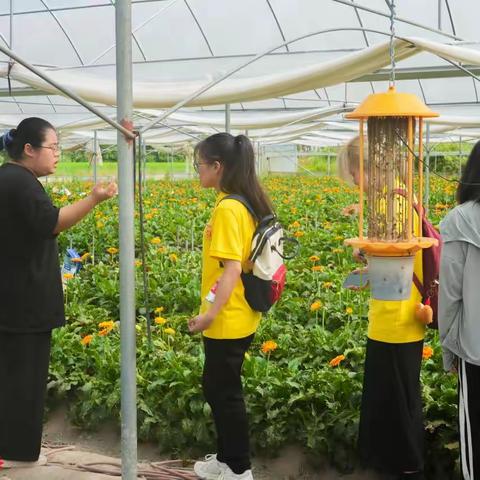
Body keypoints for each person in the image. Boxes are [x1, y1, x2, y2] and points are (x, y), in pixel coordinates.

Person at [0, 117, 117, 468]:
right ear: (29, 149)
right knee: (22, 380)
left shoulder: (14, 179)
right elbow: (52, 222)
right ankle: (12, 452)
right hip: (23, 303)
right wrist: (94, 198)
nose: (57, 155)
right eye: (53, 148)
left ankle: (10, 450)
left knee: (14, 376)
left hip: (13, 297)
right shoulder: (20, 182)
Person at [338, 136, 426, 480]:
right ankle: (399, 466)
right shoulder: (400, 197)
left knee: (398, 406)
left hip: (397, 319)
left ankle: (407, 470)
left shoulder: (395, 204)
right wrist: (370, 256)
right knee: (395, 401)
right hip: (396, 316)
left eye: (356, 173)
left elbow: (395, 272)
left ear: (372, 168)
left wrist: (366, 256)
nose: (356, 182)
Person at [188, 133, 274, 480]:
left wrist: (209, 314)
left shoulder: (228, 208)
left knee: (224, 393)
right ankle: (226, 460)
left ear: (217, 167)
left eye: (199, 165)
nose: (197, 171)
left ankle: (238, 470)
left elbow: (232, 269)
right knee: (220, 387)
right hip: (242, 313)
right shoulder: (244, 202)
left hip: (228, 316)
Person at [439, 140, 480, 480]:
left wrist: (448, 350)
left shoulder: (460, 220)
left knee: (475, 441)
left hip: (476, 349)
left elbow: (450, 294)